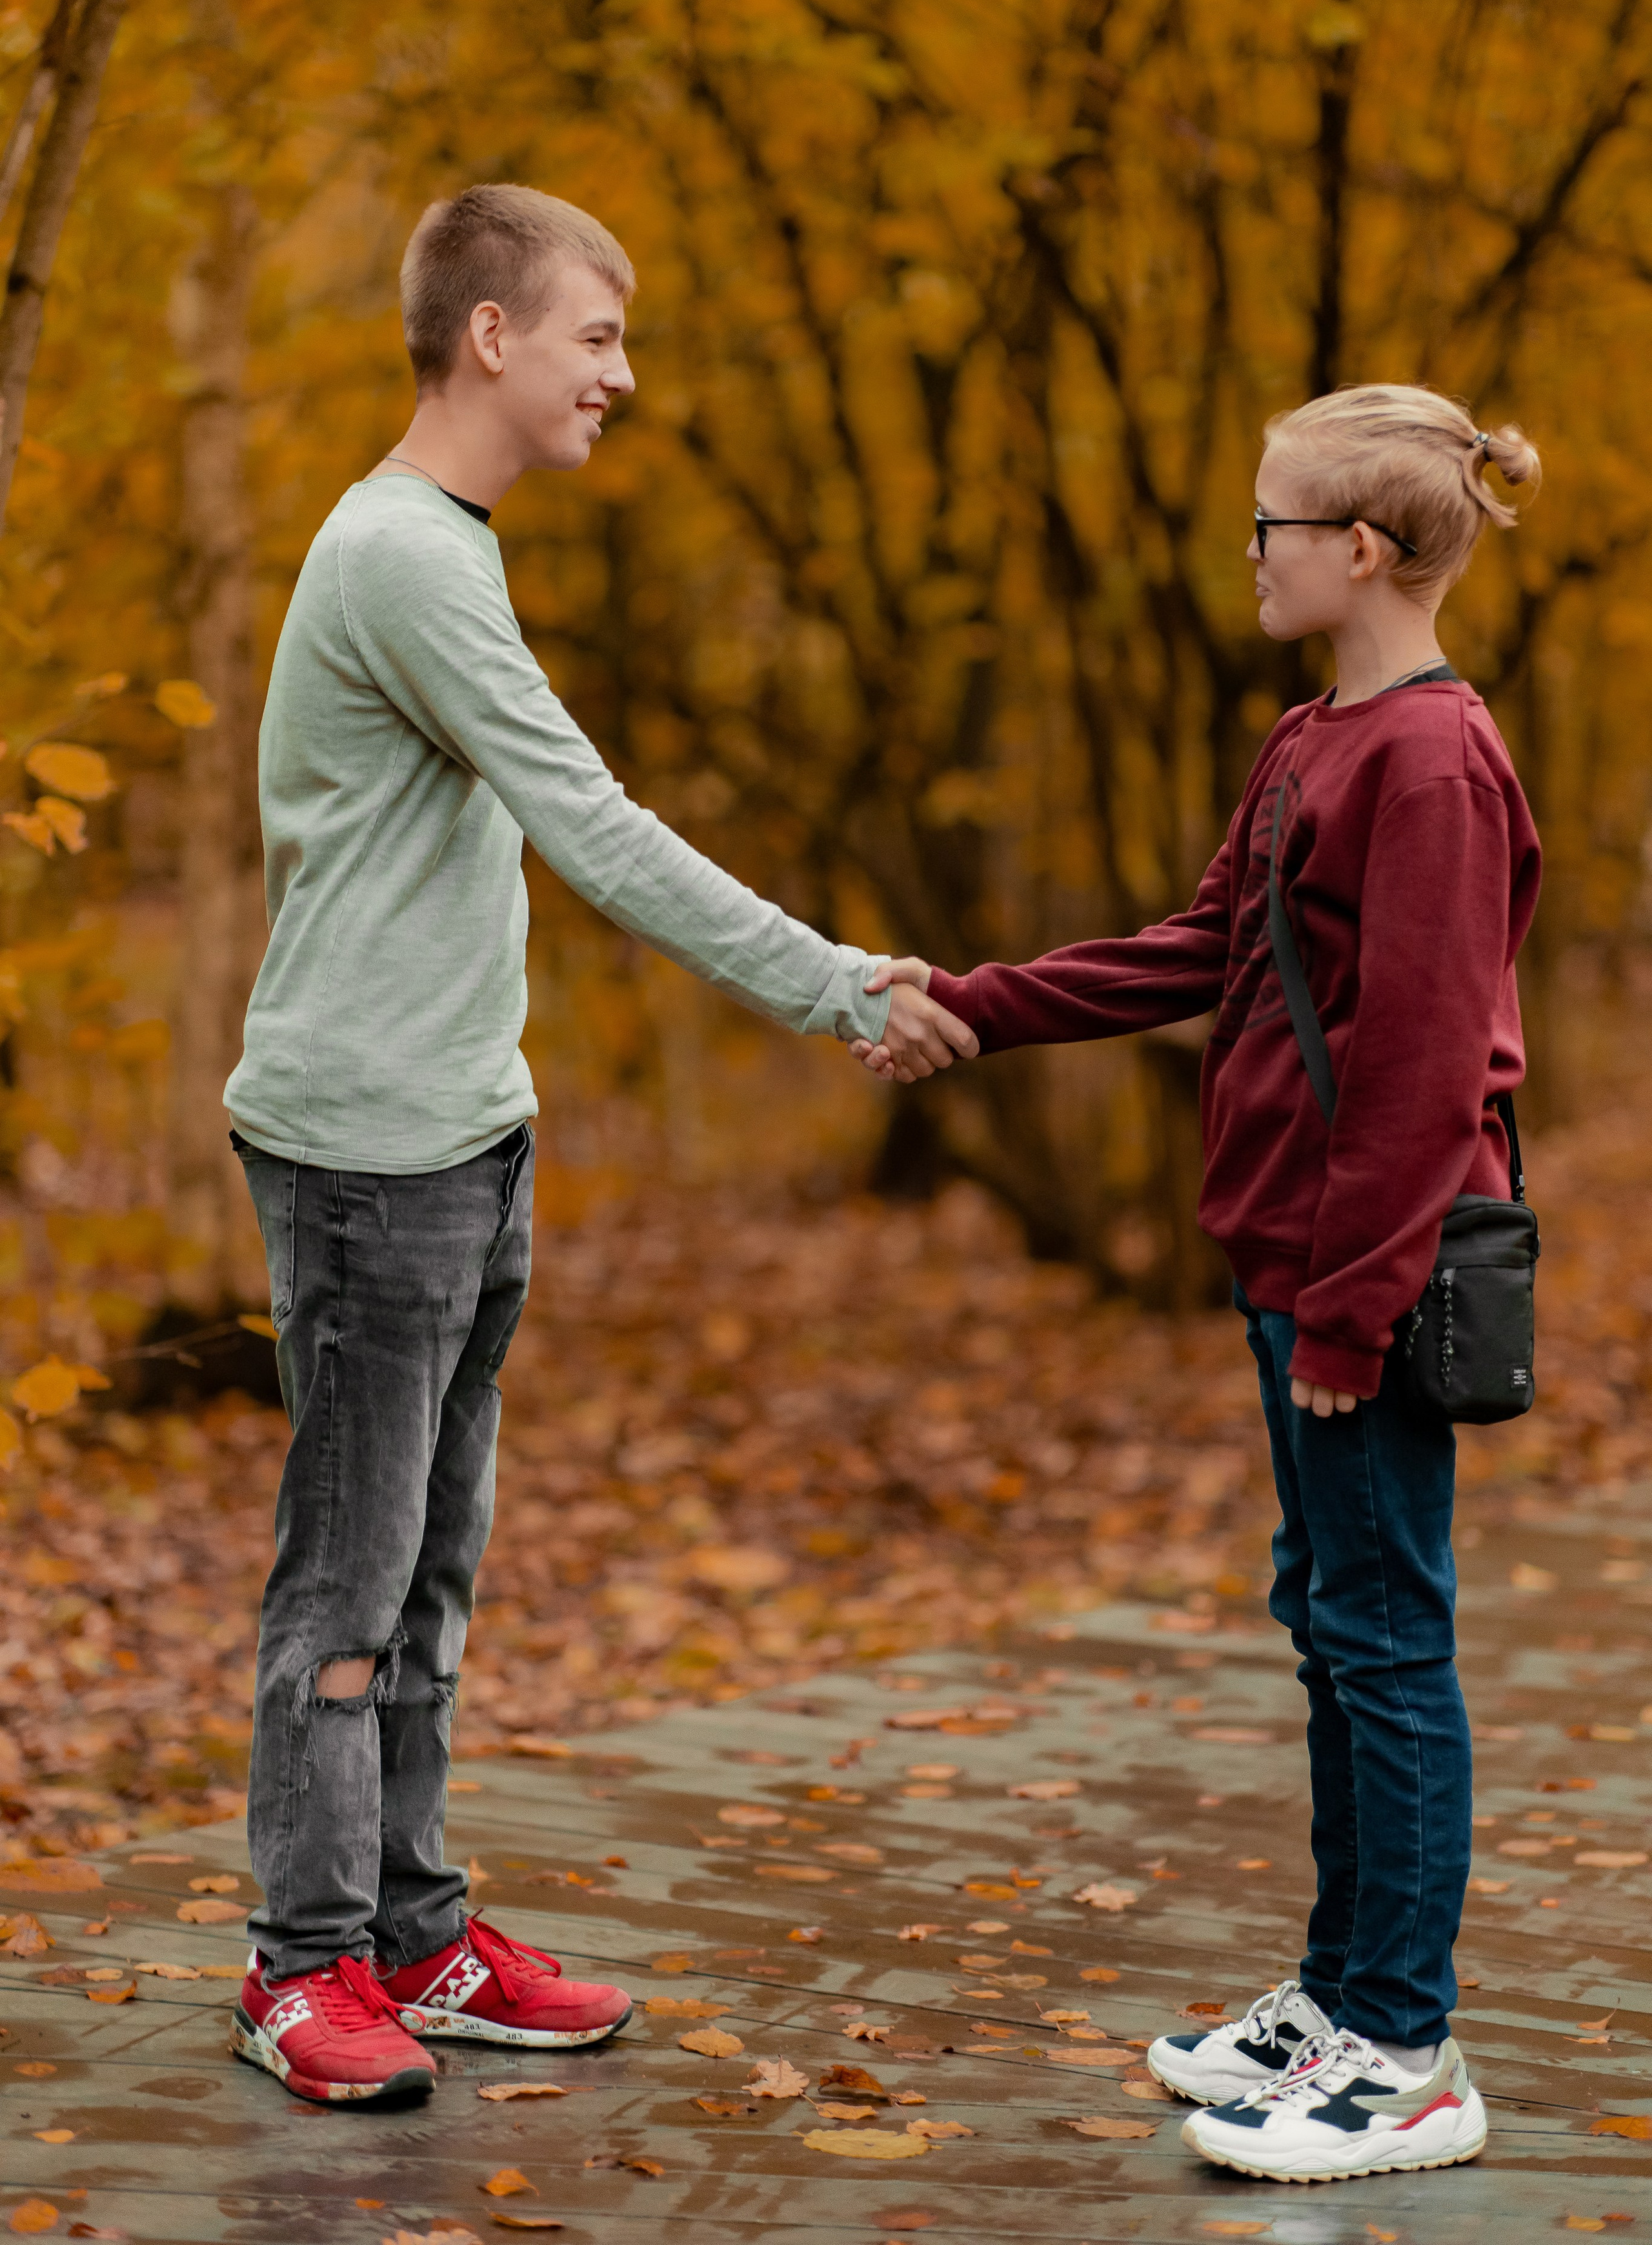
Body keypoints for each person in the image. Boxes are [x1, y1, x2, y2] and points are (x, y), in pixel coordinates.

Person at [223, 183, 976, 2106]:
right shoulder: (397, 554)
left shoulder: (444, 548)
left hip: (467, 1131)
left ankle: (413, 1934)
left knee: (434, 1575)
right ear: (490, 335)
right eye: (597, 337)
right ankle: (302, 1968)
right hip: (368, 1156)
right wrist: (833, 983)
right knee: (349, 1585)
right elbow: (593, 823)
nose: (620, 378)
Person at [855, 384, 1542, 2186]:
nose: (1249, 554)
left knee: (1388, 1639)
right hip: (1290, 1256)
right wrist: (979, 1004)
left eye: (1272, 526)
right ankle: (1339, 1991)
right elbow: (1198, 947)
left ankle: (1407, 2048)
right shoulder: (1317, 736)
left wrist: (1346, 1309)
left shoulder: (1435, 764)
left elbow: (1419, 1070)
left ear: (1362, 550)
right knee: (1332, 1620)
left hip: (1366, 1286)